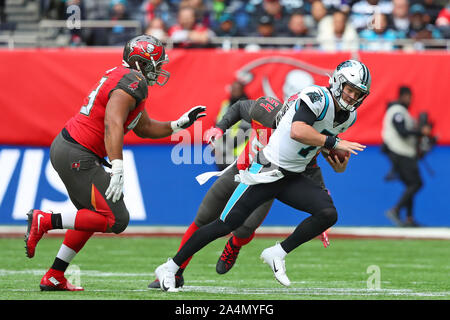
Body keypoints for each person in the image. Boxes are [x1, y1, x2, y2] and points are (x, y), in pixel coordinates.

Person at [154, 60, 371, 292]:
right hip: (264, 169)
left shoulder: (347, 117)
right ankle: (171, 267)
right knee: (223, 224)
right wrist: (219, 127)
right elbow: (298, 130)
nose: (352, 97)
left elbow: (316, 161)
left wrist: (339, 164)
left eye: (358, 93)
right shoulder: (311, 99)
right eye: (350, 89)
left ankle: (277, 253)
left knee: (327, 213)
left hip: (291, 175)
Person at [24, 35, 206, 291]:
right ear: (141, 63)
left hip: (70, 149)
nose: (160, 69)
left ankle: (54, 275)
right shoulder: (133, 81)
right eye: (157, 63)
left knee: (91, 216)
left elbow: (142, 127)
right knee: (116, 219)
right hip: (79, 153)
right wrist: (118, 165)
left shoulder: (126, 77)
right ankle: (44, 221)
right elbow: (113, 122)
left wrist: (178, 124)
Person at [148, 96, 331, 289]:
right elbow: (240, 107)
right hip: (240, 170)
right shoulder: (266, 110)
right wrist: (220, 127)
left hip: (265, 181)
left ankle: (235, 244)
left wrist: (322, 207)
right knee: (204, 217)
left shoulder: (303, 137)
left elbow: (311, 168)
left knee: (244, 229)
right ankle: (176, 273)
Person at [382, 86, 431, 227]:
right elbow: (402, 132)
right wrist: (420, 132)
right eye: (409, 97)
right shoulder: (397, 111)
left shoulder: (401, 112)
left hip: (402, 153)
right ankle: (395, 210)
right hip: (400, 152)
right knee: (416, 183)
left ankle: (409, 218)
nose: (410, 101)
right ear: (404, 96)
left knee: (411, 184)